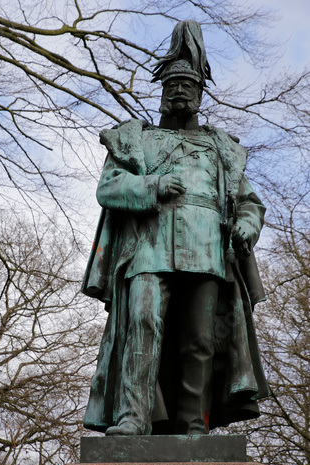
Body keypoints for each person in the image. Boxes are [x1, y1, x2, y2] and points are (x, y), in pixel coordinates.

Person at [82, 20, 270, 436]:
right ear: (162, 93)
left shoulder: (222, 149)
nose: (180, 91)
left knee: (200, 341)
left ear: (201, 94)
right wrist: (152, 185)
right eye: (172, 85)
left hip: (207, 254)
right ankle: (132, 417)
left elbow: (251, 203)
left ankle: (194, 424)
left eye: (188, 85)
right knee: (143, 324)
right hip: (148, 251)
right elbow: (109, 188)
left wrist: (244, 224)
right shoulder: (137, 140)